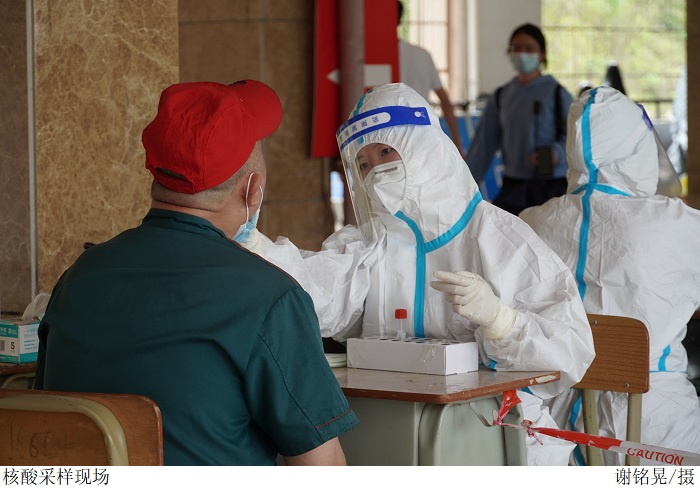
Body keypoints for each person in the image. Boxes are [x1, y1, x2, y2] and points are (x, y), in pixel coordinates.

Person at [242, 82, 595, 466]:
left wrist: (501, 321)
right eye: (364, 164)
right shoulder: (371, 242)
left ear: (422, 145)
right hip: (393, 427)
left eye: (386, 151)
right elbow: (318, 291)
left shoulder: (498, 237)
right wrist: (258, 249)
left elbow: (572, 352)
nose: (376, 171)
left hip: (494, 431)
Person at [33, 80, 358, 466]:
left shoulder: (77, 278)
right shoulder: (269, 298)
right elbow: (322, 468)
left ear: (157, 178)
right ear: (252, 191)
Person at [520, 86, 700, 465]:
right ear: (639, 151)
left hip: (560, 429)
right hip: (656, 429)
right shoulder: (678, 224)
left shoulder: (532, 221)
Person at [466, 23, 573, 216]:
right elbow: (483, 146)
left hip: (552, 187)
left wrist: (555, 153)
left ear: (542, 54)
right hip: (514, 187)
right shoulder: (502, 96)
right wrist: (463, 186)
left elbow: (575, 137)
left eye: (529, 49)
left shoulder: (557, 94)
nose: (522, 54)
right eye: (516, 48)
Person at [397, 1, 463, 155]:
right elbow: (444, 101)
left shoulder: (372, 60)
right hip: (422, 139)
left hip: (387, 141)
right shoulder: (421, 55)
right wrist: (457, 143)